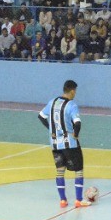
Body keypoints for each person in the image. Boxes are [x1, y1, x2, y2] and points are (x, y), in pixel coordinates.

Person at [38, 80, 90, 209]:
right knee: (78, 170)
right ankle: (78, 200)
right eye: (75, 91)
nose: (75, 93)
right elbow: (77, 123)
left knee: (60, 171)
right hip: (70, 144)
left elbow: (41, 116)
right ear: (72, 91)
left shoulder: (52, 102)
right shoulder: (72, 105)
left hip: (55, 144)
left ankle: (63, 200)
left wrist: (51, 129)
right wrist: (75, 134)